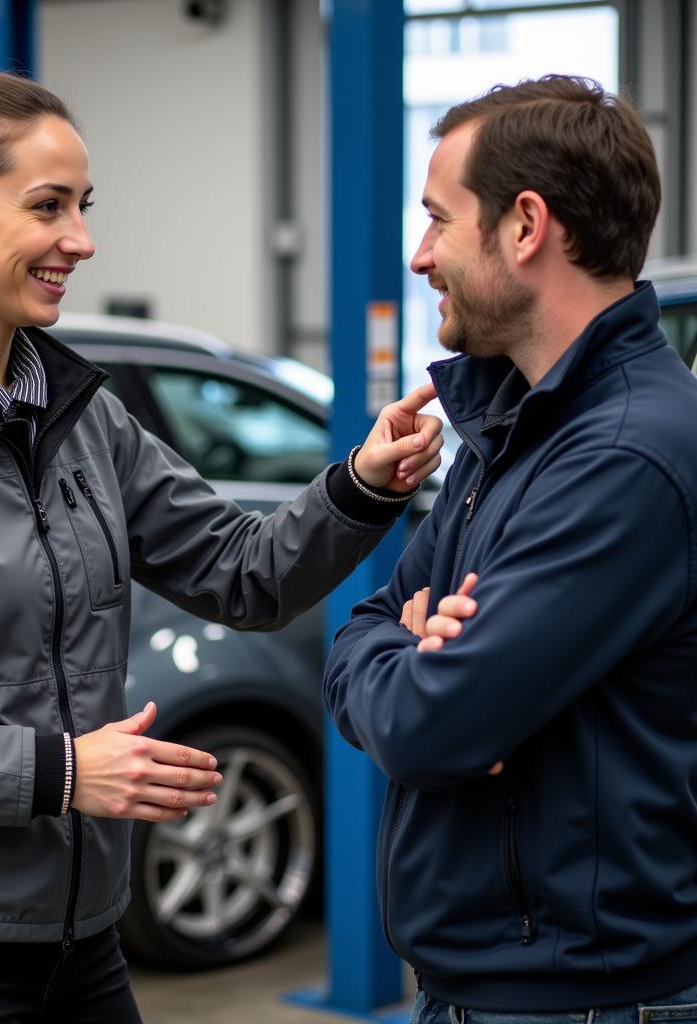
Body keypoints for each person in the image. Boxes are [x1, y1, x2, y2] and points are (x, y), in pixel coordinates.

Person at [0, 70, 443, 1024]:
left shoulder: (83, 420)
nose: (82, 238)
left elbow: (244, 574)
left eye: (83, 205)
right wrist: (59, 773)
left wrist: (361, 483)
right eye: (48, 207)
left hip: (78, 941)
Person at [324, 74, 697, 1019]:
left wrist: (423, 676)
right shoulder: (514, 430)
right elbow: (358, 636)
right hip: (497, 990)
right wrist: (402, 652)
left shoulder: (622, 458)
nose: (419, 257)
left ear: (525, 226)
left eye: (439, 221)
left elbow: (429, 725)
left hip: (585, 1001)